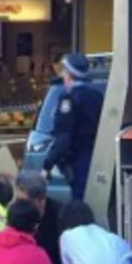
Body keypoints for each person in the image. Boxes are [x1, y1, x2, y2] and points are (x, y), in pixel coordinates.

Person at [43, 53, 104, 201]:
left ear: (69, 74)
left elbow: (64, 136)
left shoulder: (69, 98)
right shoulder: (96, 95)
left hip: (78, 159)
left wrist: (48, 164)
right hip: (98, 158)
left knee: (79, 201)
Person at [15, 170, 71, 264]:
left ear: (40, 200)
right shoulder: (17, 214)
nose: (18, 205)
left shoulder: (61, 216)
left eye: (24, 201)